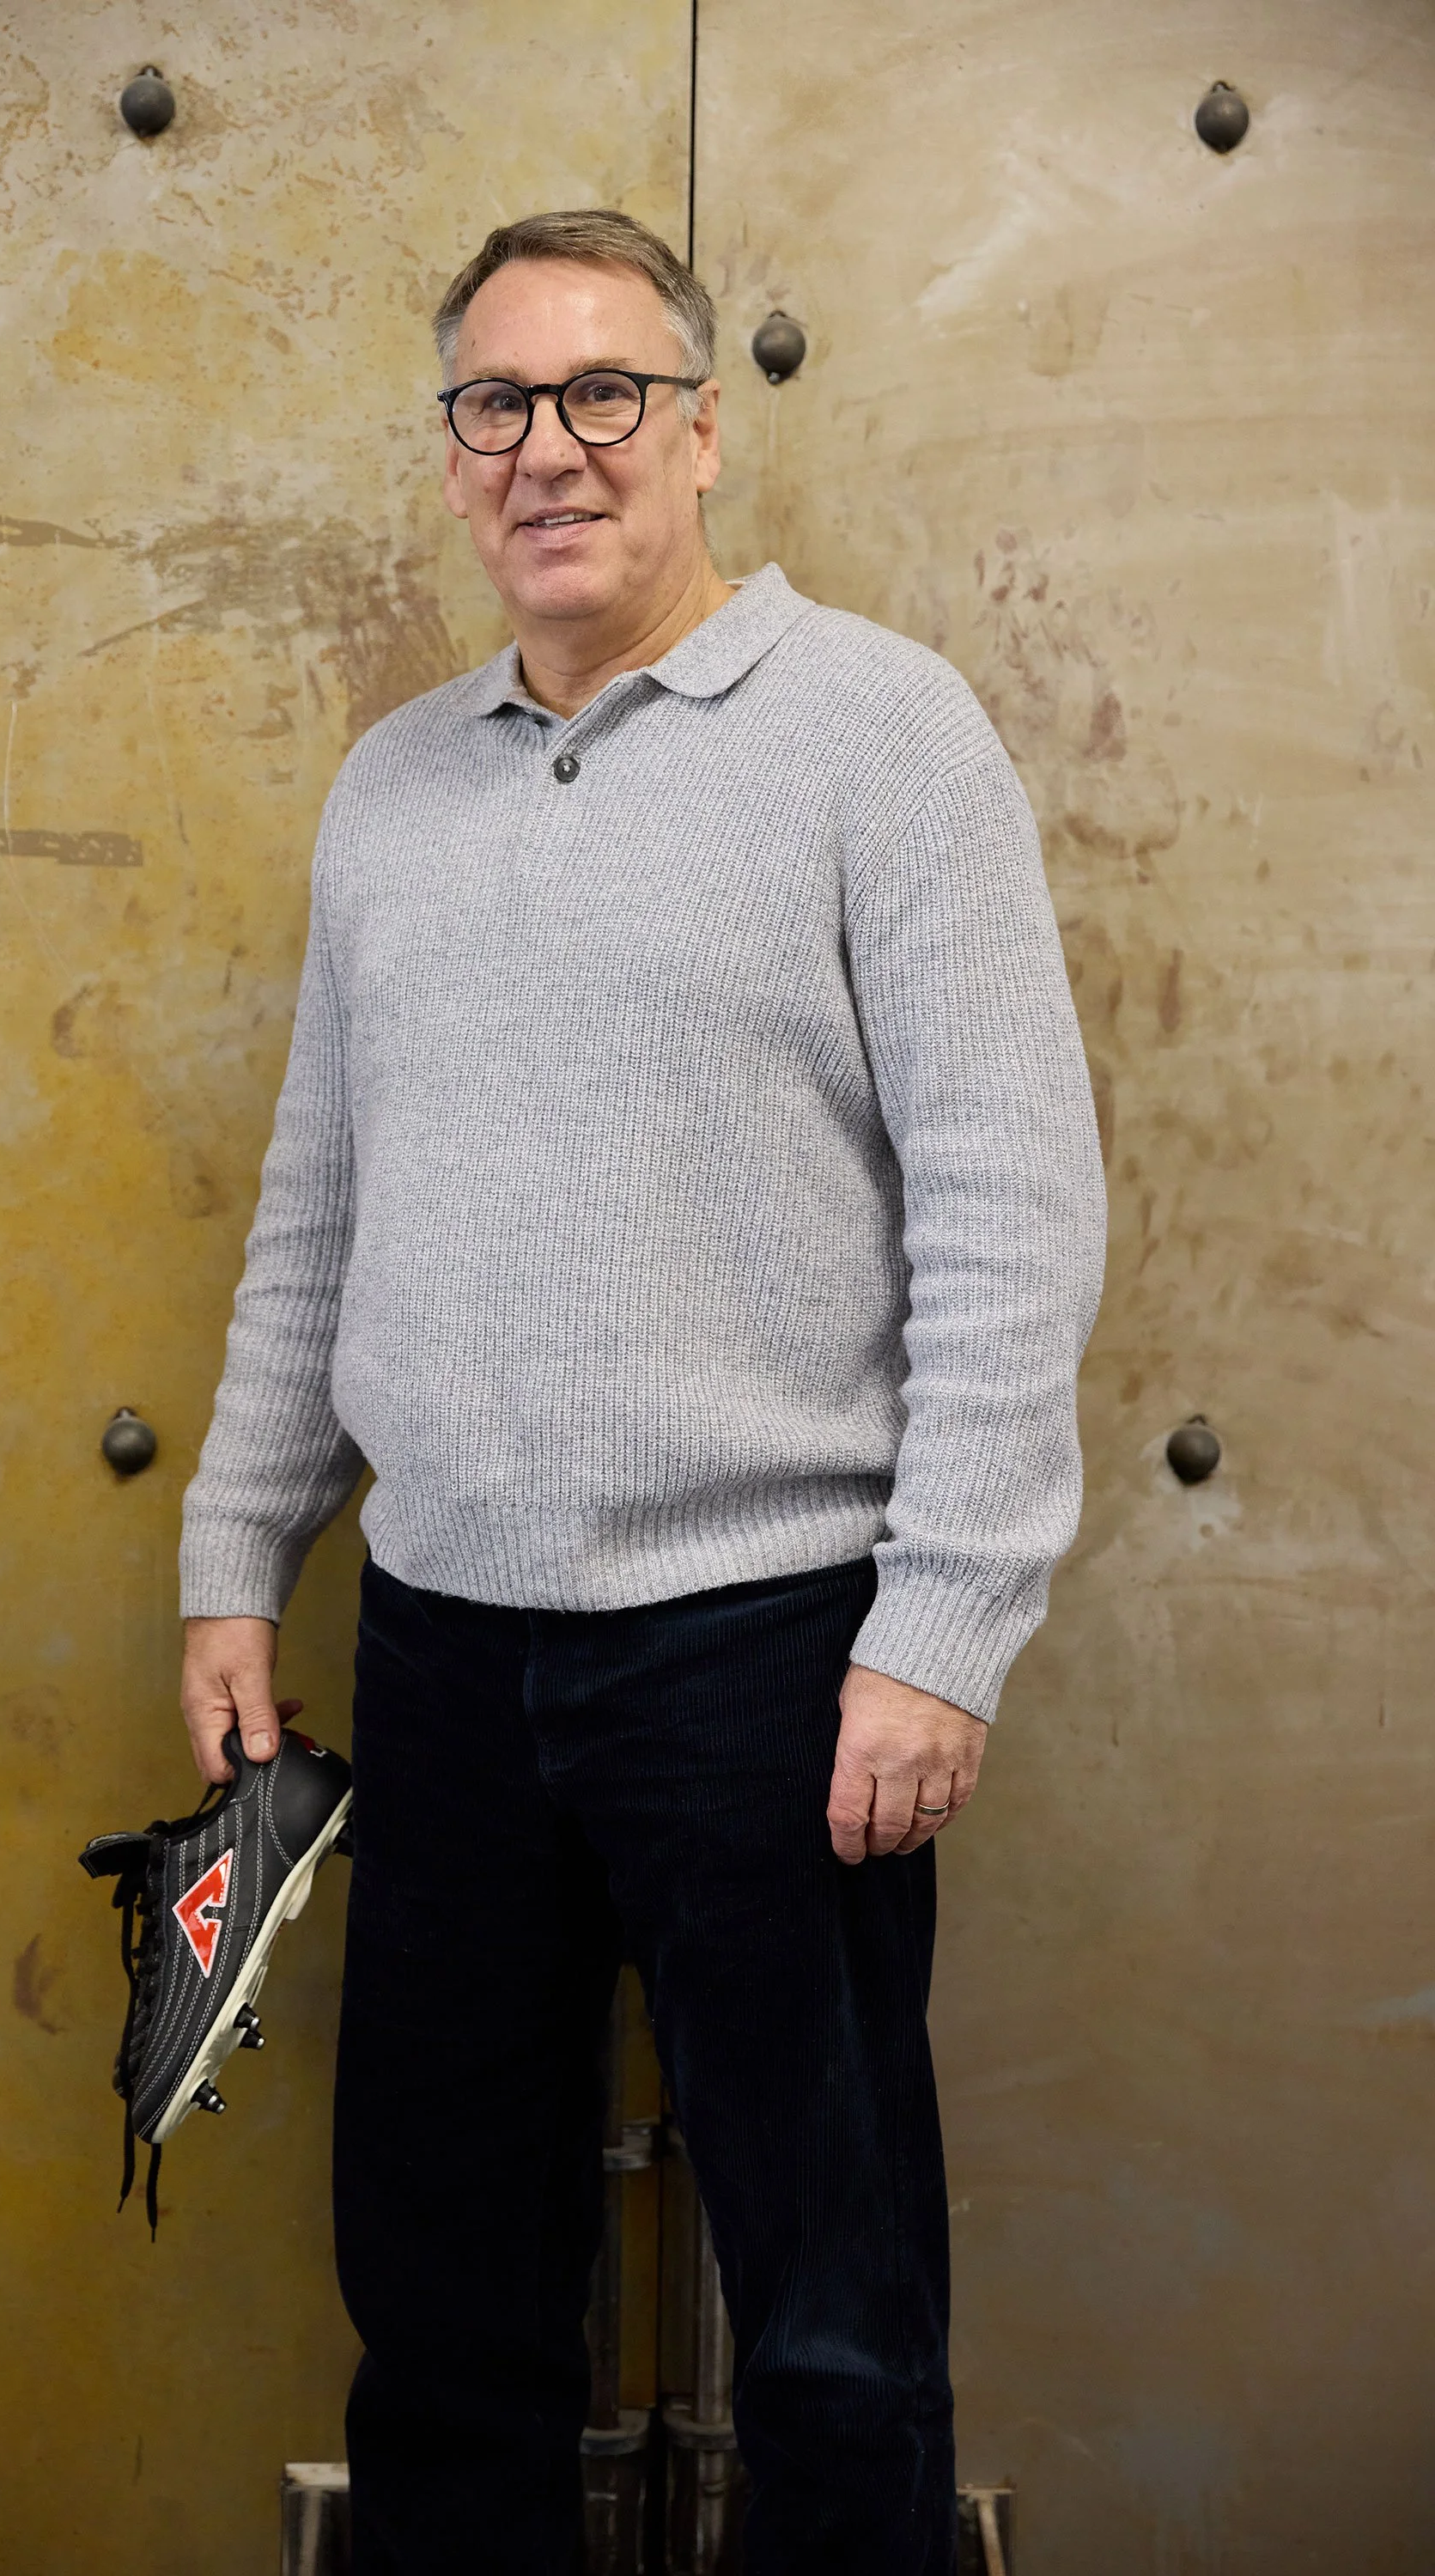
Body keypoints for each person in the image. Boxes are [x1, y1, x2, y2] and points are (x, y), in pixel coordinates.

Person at [178, 207, 1105, 2576]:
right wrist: (234, 1555)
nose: (552, 446)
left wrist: (942, 1628)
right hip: (442, 1649)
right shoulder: (392, 789)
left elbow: (1015, 1203)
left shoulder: (884, 736)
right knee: (447, 2315)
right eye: (498, 401)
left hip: (772, 1653)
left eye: (607, 392)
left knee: (833, 2329)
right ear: (454, 456)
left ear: (700, 434)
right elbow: (317, 1207)